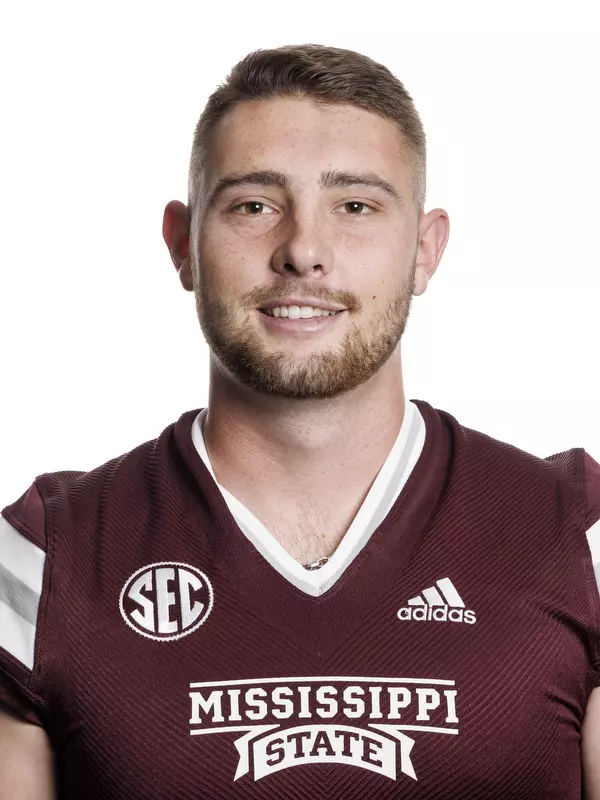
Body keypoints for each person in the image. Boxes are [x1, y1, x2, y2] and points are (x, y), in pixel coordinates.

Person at [0, 43, 599, 800]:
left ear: (424, 250)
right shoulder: (41, 561)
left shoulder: (576, 538)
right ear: (183, 244)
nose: (304, 252)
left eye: (355, 206)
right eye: (254, 205)